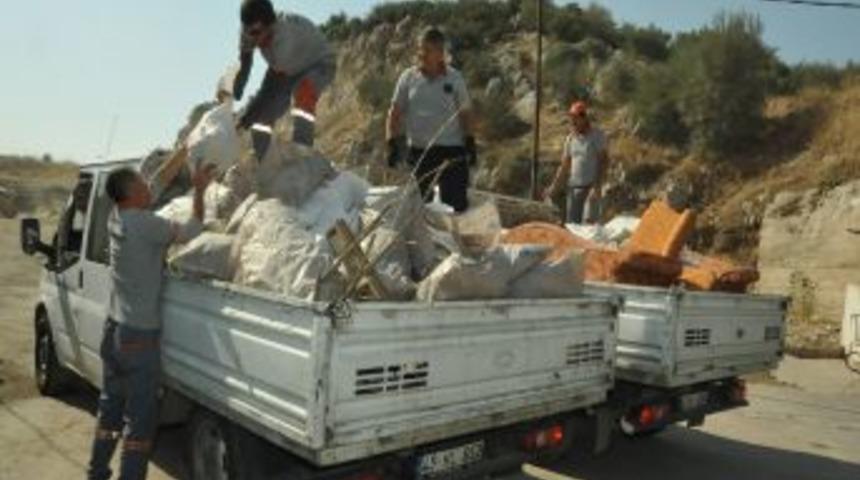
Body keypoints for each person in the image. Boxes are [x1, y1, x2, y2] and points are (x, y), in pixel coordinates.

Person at [86, 166, 212, 480]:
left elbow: (149, 189)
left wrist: (175, 161)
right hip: (139, 339)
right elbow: (194, 229)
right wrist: (198, 190)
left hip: (113, 331)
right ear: (131, 194)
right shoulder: (146, 225)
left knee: (110, 412)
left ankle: (96, 473)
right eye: (142, 184)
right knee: (139, 425)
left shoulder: (115, 218)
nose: (148, 188)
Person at [386, 27, 477, 213]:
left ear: (440, 53)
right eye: (420, 48)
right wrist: (391, 143)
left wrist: (470, 141)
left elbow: (466, 113)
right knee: (417, 211)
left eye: (427, 50)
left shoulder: (455, 78)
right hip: (419, 154)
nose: (422, 54)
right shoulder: (408, 78)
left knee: (456, 210)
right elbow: (394, 113)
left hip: (452, 153)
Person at [231, 0, 336, 149]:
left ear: (270, 26)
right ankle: (263, 162)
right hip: (288, 70)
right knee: (262, 119)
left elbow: (269, 88)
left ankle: (302, 152)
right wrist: (239, 83)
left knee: (302, 93)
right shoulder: (249, 30)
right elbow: (246, 61)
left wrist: (247, 118)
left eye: (256, 33)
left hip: (319, 64)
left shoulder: (284, 37)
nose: (252, 38)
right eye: (248, 32)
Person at [543, 101, 610, 224]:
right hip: (574, 189)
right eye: (571, 118)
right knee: (573, 226)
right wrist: (553, 187)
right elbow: (564, 166)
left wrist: (597, 186)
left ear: (584, 117)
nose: (572, 121)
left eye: (575, 118)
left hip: (591, 188)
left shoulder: (597, 136)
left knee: (588, 225)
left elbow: (604, 161)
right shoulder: (570, 139)